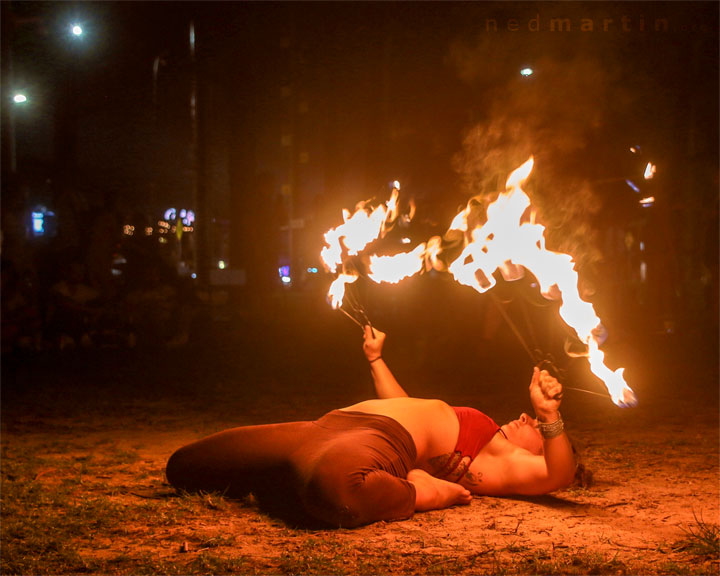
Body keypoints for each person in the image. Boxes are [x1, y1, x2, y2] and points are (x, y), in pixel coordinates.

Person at [165, 326, 576, 528]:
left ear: (537, 450)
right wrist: (376, 359)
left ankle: (421, 493)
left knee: (338, 492)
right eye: (531, 417)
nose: (525, 417)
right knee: (185, 467)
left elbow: (558, 474)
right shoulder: (482, 435)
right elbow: (401, 402)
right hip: (327, 426)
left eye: (534, 429)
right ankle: (282, 478)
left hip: (373, 444)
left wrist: (549, 417)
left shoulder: (503, 461)